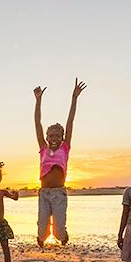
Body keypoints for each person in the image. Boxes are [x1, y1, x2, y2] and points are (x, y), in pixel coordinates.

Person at [33, 78, 87, 246]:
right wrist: (38, 100)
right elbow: (37, 123)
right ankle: (42, 235)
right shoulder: (43, 148)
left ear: (62, 138)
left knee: (58, 234)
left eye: (57, 135)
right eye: (51, 136)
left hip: (58, 195)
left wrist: (74, 98)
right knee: (42, 234)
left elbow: (70, 122)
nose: (54, 138)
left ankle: (64, 235)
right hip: (43, 194)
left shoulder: (65, 148)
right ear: (47, 138)